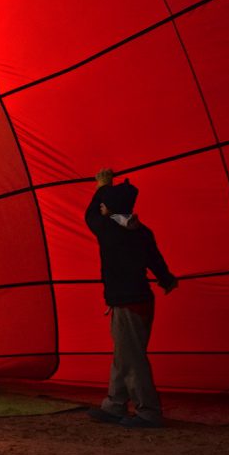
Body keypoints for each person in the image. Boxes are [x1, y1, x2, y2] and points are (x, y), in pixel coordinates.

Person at [84, 168, 177, 428]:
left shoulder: (110, 230)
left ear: (110, 209)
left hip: (127, 304)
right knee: (124, 354)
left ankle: (148, 411)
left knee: (132, 358)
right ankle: (114, 404)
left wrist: (101, 186)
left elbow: (89, 215)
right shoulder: (142, 231)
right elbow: (155, 260)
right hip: (142, 302)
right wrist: (167, 279)